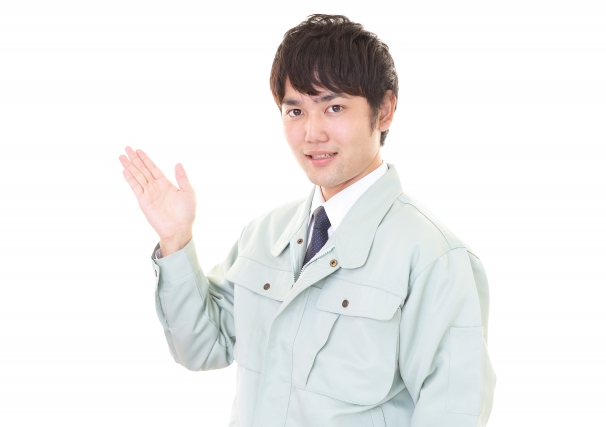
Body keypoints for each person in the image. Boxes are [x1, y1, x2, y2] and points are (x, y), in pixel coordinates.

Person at [119, 14, 495, 427]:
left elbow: (453, 413)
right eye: (295, 110)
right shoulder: (264, 235)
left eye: (334, 107)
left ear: (385, 110)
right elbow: (203, 346)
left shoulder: (434, 257)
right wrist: (176, 240)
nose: (312, 133)